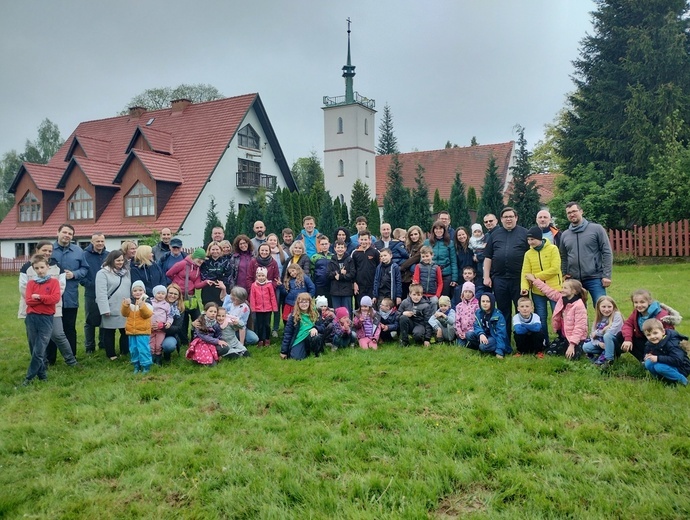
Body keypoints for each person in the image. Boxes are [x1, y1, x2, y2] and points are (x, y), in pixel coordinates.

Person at [19, 241, 78, 368]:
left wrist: (43, 299)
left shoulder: (57, 267)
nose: (47, 253)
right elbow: (24, 289)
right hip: (33, 310)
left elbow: (60, 289)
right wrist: (41, 301)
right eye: (44, 250)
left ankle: (71, 361)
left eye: (50, 251)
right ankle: (41, 363)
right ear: (37, 250)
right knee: (34, 338)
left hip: (53, 309)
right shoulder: (27, 267)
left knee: (58, 334)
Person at [483, 207, 529, 333]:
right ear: (501, 220)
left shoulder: (525, 233)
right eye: (505, 217)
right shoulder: (494, 235)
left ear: (516, 218)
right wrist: (486, 277)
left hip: (519, 280)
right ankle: (505, 339)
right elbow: (488, 257)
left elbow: (531, 256)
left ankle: (523, 339)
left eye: (511, 216)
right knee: (503, 311)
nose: (508, 219)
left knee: (523, 309)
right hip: (499, 279)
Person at [559, 202, 613, 309]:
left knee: (602, 307)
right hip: (574, 280)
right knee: (577, 311)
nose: (572, 214)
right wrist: (565, 273)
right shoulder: (565, 234)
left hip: (595, 277)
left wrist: (606, 275)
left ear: (581, 211)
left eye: (574, 211)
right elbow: (564, 256)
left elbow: (607, 252)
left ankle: (604, 326)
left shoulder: (596, 229)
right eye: (569, 213)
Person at [21, 254, 61, 386]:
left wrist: (39, 297)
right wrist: (43, 299)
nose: (40, 270)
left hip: (46, 318)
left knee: (39, 350)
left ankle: (29, 378)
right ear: (33, 269)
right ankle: (42, 375)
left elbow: (54, 299)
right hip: (32, 318)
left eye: (42, 267)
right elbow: (28, 301)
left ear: (48, 267)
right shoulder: (31, 283)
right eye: (36, 268)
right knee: (34, 348)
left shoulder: (54, 282)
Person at [612, 289, 681, 365]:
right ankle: (642, 360)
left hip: (659, 344)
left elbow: (669, 334)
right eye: (636, 302)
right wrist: (628, 339)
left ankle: (654, 360)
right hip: (647, 340)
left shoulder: (661, 315)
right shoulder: (637, 312)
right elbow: (628, 324)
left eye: (642, 302)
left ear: (649, 301)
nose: (639, 305)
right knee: (621, 335)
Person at [51, 223, 88, 360]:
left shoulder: (78, 251)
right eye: (64, 232)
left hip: (70, 295)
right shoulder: (49, 250)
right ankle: (50, 358)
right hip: (51, 296)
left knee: (69, 327)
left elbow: (85, 269)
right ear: (58, 232)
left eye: (70, 234)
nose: (67, 235)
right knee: (51, 328)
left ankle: (71, 356)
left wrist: (74, 274)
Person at [528, 276, 588, 360]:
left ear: (574, 291)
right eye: (562, 287)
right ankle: (565, 345)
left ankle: (582, 346)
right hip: (564, 336)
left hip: (576, 339)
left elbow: (579, 327)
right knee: (550, 352)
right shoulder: (561, 298)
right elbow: (548, 291)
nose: (562, 290)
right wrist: (534, 280)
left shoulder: (579, 305)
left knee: (572, 357)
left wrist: (572, 345)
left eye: (565, 288)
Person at [520, 226, 562, 343]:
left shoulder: (553, 249)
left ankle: (562, 338)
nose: (530, 242)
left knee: (558, 315)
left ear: (539, 238)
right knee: (541, 317)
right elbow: (525, 272)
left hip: (554, 289)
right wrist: (525, 287)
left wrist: (535, 277)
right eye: (528, 240)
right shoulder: (528, 254)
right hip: (537, 292)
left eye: (532, 239)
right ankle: (544, 341)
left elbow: (555, 269)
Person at [95, 250, 131, 360]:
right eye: (117, 260)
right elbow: (101, 293)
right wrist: (104, 309)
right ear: (111, 260)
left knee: (125, 331)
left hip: (124, 307)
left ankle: (125, 352)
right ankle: (111, 354)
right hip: (110, 306)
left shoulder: (126, 272)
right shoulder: (102, 273)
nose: (120, 262)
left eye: (122, 260)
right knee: (109, 331)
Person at [166, 248, 207, 342]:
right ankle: (183, 340)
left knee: (197, 317)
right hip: (180, 296)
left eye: (203, 259)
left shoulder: (197, 269)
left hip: (191, 296)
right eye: (199, 258)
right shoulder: (182, 264)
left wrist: (205, 282)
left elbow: (197, 285)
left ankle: (196, 338)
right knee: (182, 319)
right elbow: (169, 273)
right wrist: (178, 282)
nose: (201, 261)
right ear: (194, 257)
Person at [642, 319, 690, 386]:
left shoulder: (671, 343)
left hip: (681, 367)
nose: (652, 337)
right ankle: (661, 379)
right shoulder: (650, 343)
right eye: (648, 335)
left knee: (659, 367)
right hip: (666, 364)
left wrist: (658, 358)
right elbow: (646, 352)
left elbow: (678, 360)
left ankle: (684, 381)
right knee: (648, 363)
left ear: (663, 332)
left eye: (655, 333)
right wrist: (647, 356)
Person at [82, 232, 108, 354]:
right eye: (97, 241)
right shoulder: (85, 255)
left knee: (104, 318)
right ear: (92, 242)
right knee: (90, 320)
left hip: (107, 293)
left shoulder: (108, 256)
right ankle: (89, 347)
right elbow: (81, 273)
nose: (100, 243)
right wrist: (89, 284)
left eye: (102, 241)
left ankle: (103, 344)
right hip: (91, 292)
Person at [122, 280, 153, 374]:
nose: (138, 292)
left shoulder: (147, 302)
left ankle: (146, 366)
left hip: (143, 331)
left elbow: (147, 315)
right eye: (135, 290)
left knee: (143, 349)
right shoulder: (130, 302)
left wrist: (141, 306)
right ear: (132, 292)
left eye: (140, 290)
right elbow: (124, 313)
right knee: (133, 349)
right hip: (132, 331)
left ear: (144, 291)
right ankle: (136, 365)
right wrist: (125, 305)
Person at [465, 293, 511, 359]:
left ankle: (492, 348)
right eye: (483, 301)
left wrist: (499, 351)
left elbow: (501, 334)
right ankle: (482, 346)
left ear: (492, 302)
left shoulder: (498, 316)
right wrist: (481, 334)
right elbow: (476, 325)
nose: (485, 303)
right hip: (484, 335)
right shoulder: (478, 312)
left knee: (483, 346)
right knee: (469, 334)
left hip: (494, 337)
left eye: (488, 301)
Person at [280, 293, 324, 360]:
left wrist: (316, 328)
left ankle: (316, 353)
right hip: (299, 338)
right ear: (298, 304)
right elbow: (288, 334)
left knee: (316, 337)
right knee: (296, 358)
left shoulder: (315, 313)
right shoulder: (293, 316)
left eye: (306, 302)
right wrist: (284, 351)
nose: (304, 304)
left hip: (311, 336)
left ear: (309, 303)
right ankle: (305, 350)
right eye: (301, 302)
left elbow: (323, 327)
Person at [582, 296, 623, 366]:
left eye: (609, 307)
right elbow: (592, 335)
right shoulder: (598, 317)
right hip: (602, 343)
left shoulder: (617, 315)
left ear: (613, 307)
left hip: (616, 342)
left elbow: (612, 331)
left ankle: (609, 359)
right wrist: (598, 343)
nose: (606, 309)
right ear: (598, 307)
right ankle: (608, 352)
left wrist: (597, 333)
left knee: (607, 336)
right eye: (603, 307)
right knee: (586, 347)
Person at [424, 220, 457, 299]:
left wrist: (454, 278)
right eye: (436, 229)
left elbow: (453, 261)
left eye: (441, 229)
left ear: (444, 230)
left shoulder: (450, 243)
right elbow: (422, 259)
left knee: (444, 298)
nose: (438, 231)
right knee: (432, 297)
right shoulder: (427, 243)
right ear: (433, 230)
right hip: (432, 273)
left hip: (445, 273)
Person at [250, 266, 278, 347]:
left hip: (268, 309)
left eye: (263, 276)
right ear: (256, 276)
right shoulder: (254, 285)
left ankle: (267, 339)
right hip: (258, 309)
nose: (261, 277)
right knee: (260, 325)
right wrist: (253, 308)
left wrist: (274, 307)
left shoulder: (269, 285)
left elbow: (272, 296)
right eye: (259, 276)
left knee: (267, 324)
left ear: (266, 276)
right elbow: (252, 297)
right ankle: (260, 340)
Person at [351, 231, 380, 307]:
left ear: (369, 240)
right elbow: (352, 269)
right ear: (358, 240)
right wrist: (354, 283)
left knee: (371, 307)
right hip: (359, 286)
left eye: (365, 239)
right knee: (360, 307)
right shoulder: (355, 253)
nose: (364, 242)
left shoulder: (375, 252)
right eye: (362, 240)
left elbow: (379, 268)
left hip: (372, 285)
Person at [267, 233, 287, 338]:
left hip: (279, 285)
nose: (272, 242)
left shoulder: (282, 253)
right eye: (270, 240)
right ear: (267, 241)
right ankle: (267, 328)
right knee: (267, 307)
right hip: (266, 285)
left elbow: (288, 267)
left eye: (274, 240)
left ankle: (275, 328)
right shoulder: (265, 252)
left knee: (277, 307)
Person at [328, 240, 355, 316]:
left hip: (346, 291)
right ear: (335, 249)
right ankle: (338, 327)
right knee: (337, 312)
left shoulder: (349, 260)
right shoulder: (331, 261)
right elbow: (328, 274)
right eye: (338, 247)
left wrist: (340, 277)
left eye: (342, 247)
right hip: (335, 291)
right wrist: (339, 272)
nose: (340, 249)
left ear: (345, 249)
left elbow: (352, 274)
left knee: (347, 312)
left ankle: (347, 327)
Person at [161, 283, 187, 361]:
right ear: (166, 293)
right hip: (154, 332)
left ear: (179, 296)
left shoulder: (180, 308)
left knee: (169, 346)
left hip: (169, 334)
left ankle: (166, 354)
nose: (172, 295)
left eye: (175, 294)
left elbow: (178, 328)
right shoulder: (158, 304)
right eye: (170, 293)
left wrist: (163, 328)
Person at [149, 284, 173, 366]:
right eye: (158, 293)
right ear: (154, 293)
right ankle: (152, 357)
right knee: (151, 343)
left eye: (163, 293)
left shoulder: (166, 305)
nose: (160, 295)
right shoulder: (150, 303)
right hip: (150, 328)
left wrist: (168, 323)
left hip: (161, 329)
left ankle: (158, 357)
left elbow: (170, 316)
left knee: (159, 344)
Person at [400, 225, 424, 299]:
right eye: (411, 235)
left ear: (419, 234)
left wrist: (402, 266)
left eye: (416, 234)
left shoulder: (422, 246)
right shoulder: (406, 246)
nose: (414, 236)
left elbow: (415, 259)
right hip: (404, 277)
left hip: (413, 277)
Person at [454, 281, 479, 347]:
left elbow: (477, 321)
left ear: (473, 293)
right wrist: (459, 332)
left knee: (471, 340)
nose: (467, 294)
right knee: (460, 345)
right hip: (461, 333)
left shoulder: (477, 305)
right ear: (463, 293)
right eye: (466, 292)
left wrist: (468, 333)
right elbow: (457, 320)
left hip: (472, 332)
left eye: (470, 292)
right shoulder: (459, 306)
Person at [310, 234, 333, 302]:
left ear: (329, 244)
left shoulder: (333, 256)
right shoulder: (314, 257)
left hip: (331, 285)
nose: (324, 246)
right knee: (320, 305)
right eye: (322, 244)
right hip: (319, 286)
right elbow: (311, 271)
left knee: (331, 306)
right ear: (319, 245)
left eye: (326, 244)